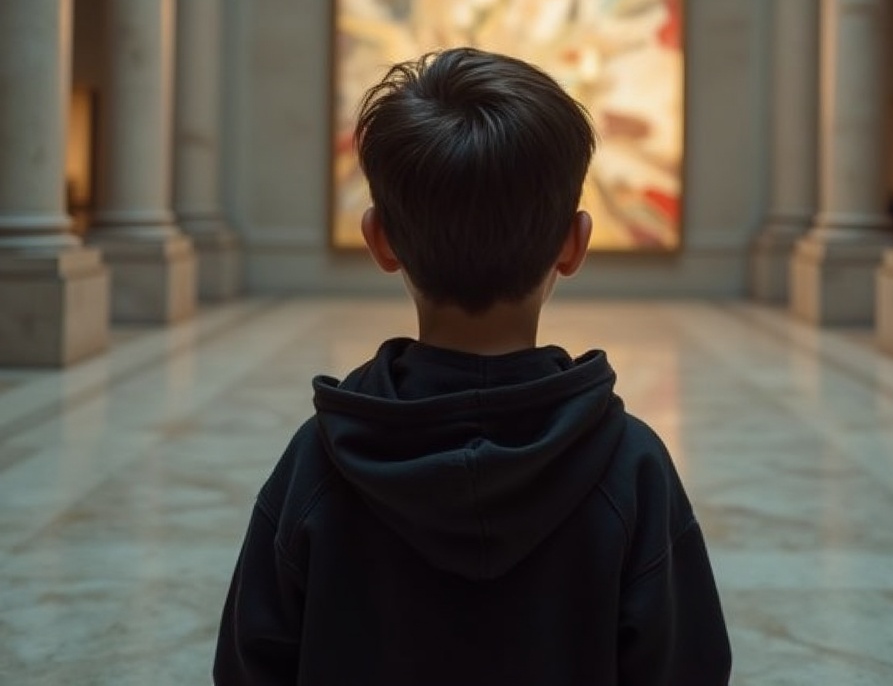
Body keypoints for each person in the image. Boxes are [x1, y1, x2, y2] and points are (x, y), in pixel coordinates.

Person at [213, 47, 732, 686]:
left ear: (380, 240)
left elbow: (250, 666)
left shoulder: (319, 460)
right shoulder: (631, 465)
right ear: (575, 244)